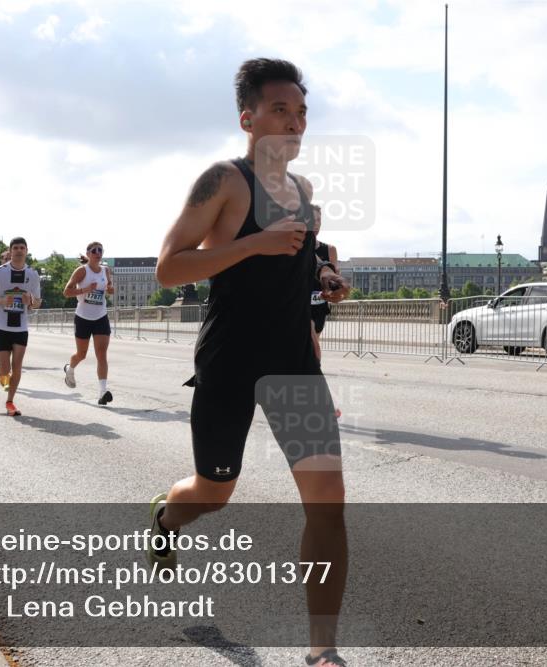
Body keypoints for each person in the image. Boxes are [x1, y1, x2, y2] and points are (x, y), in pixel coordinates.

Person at [150, 59, 351, 667]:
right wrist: (254, 243)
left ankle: (322, 650)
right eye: (281, 111)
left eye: (302, 112)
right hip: (230, 360)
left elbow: (299, 259)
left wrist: (324, 275)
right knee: (214, 492)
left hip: (293, 362)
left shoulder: (306, 193)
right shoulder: (225, 181)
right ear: (248, 117)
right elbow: (168, 267)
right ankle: (165, 517)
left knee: (328, 503)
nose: (295, 123)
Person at [0, 238, 41, 416]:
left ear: (26, 250)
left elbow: (37, 303)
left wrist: (30, 301)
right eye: (15, 248)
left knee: (17, 368)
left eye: (22, 248)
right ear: (10, 251)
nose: (18, 251)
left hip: (21, 327)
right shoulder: (0, 271)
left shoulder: (32, 274)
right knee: (6, 369)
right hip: (1, 326)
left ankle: (10, 402)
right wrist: (0, 300)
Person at [62, 242, 116, 405]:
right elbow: (66, 292)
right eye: (94, 250)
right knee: (82, 354)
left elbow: (109, 287)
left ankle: (102, 392)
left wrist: (110, 289)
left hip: (101, 317)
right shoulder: (81, 271)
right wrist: (85, 290)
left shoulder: (106, 270)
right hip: (83, 318)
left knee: (101, 354)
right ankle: (69, 369)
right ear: (88, 253)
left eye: (100, 250)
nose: (98, 252)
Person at [308, 205, 339, 362]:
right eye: (312, 219)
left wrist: (333, 290)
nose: (316, 224)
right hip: (300, 305)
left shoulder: (330, 250)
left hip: (320, 306)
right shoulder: (292, 247)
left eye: (319, 220)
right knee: (313, 349)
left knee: (313, 346)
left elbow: (334, 279)